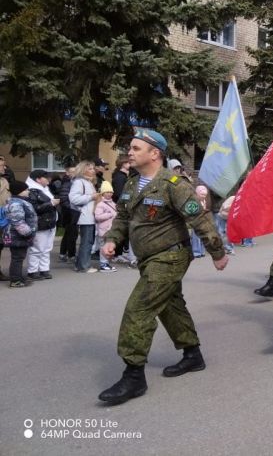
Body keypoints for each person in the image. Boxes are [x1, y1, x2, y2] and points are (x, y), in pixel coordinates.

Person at [98, 128, 228, 405]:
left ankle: (133, 376)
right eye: (130, 148)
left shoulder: (174, 184)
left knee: (140, 308)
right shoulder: (133, 184)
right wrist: (112, 240)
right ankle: (193, 355)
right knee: (170, 306)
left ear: (154, 153)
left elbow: (200, 220)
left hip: (170, 256)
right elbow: (122, 218)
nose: (129, 153)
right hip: (148, 258)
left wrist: (217, 252)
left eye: (135, 148)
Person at [25, 170, 60, 280]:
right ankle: (32, 271)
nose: (49, 180)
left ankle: (44, 269)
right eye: (46, 178)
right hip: (40, 223)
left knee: (46, 248)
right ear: (38, 179)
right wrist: (51, 203)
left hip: (49, 222)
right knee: (37, 248)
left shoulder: (44, 189)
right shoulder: (32, 191)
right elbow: (34, 208)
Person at [4, 181, 38, 288]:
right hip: (17, 235)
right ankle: (15, 280)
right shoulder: (16, 204)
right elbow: (18, 221)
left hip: (19, 235)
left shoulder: (20, 202)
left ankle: (18, 277)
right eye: (26, 190)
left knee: (19, 257)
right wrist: (27, 233)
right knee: (17, 258)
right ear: (19, 192)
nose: (28, 191)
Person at [69, 161, 101, 273]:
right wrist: (91, 197)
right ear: (83, 170)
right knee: (87, 242)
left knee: (88, 241)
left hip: (89, 216)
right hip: (85, 216)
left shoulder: (88, 182)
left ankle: (80, 264)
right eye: (90, 168)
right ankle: (84, 266)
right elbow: (73, 198)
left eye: (93, 168)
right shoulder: (79, 182)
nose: (93, 170)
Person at [95, 181, 118, 272]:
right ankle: (103, 264)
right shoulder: (101, 204)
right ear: (103, 193)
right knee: (103, 247)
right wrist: (109, 215)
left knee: (108, 247)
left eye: (110, 192)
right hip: (103, 230)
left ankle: (106, 263)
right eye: (107, 192)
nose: (109, 194)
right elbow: (97, 217)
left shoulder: (112, 203)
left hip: (110, 230)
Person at [58, 164, 78, 263]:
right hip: (69, 213)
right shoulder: (67, 183)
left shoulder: (75, 182)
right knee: (71, 234)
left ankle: (63, 253)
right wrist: (72, 208)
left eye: (76, 171)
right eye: (72, 171)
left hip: (72, 212)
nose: (74, 173)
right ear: (67, 173)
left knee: (69, 233)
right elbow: (64, 199)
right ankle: (71, 254)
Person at [190, 185, 210, 258]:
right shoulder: (194, 201)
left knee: (202, 237)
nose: (203, 196)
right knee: (196, 237)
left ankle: (201, 251)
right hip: (196, 221)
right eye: (202, 195)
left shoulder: (204, 201)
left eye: (204, 195)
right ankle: (196, 252)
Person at [0, 156, 11, 281]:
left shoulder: (4, 181)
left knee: (0, 245)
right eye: (2, 166)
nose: (5, 168)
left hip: (3, 217)